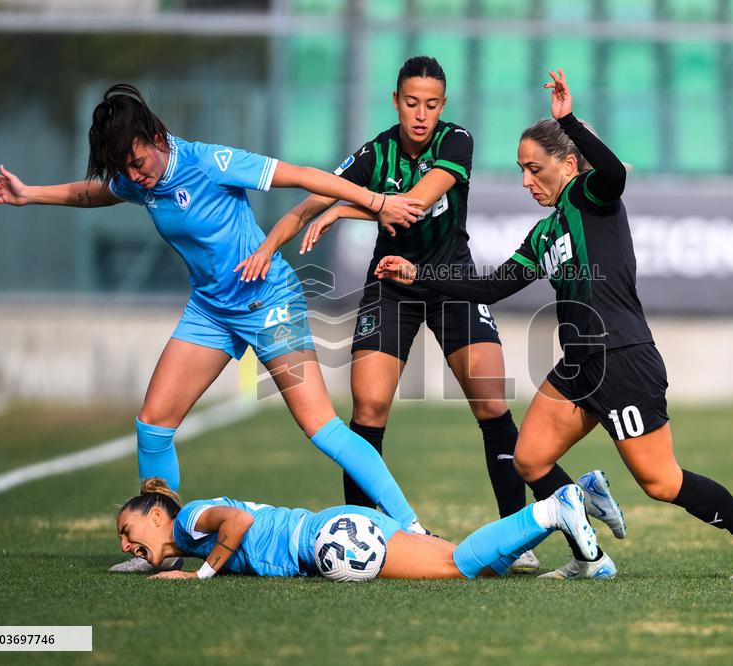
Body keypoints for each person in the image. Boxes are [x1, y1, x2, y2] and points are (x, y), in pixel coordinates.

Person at [0, 83, 431, 573]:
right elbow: (95, 193)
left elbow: (302, 176)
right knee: (153, 424)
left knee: (320, 426)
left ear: (156, 137)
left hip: (269, 302)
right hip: (211, 312)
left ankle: (411, 526)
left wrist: (378, 202)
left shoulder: (210, 162)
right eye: (125, 170)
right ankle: (163, 549)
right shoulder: (134, 178)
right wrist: (32, 195)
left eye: (138, 163)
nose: (135, 177)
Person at [375, 69, 733, 581]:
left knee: (660, 482)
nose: (526, 180)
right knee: (529, 459)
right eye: (520, 170)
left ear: (568, 164)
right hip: (579, 365)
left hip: (623, 359)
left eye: (534, 168)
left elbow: (614, 173)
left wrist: (569, 120)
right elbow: (492, 287)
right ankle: (589, 554)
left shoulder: (591, 197)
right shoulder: (544, 232)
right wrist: (418, 274)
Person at [250, 56, 616, 573]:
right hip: (390, 286)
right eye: (411, 103)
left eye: (431, 104)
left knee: (492, 404)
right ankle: (361, 532)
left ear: (442, 106)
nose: (421, 114)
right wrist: (270, 246)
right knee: (369, 408)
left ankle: (518, 536)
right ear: (395, 102)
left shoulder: (456, 141)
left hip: (452, 282)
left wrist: (346, 207)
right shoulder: (376, 152)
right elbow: (308, 201)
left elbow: (415, 204)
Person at [116, 476, 597, 581]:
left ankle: (555, 510)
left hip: (333, 542)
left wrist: (198, 578)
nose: (125, 543)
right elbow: (171, 554)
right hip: (339, 527)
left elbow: (237, 523)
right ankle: (584, 509)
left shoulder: (192, 516)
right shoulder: (181, 539)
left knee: (458, 565)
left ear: (157, 514)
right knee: (478, 565)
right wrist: (156, 560)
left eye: (127, 529)